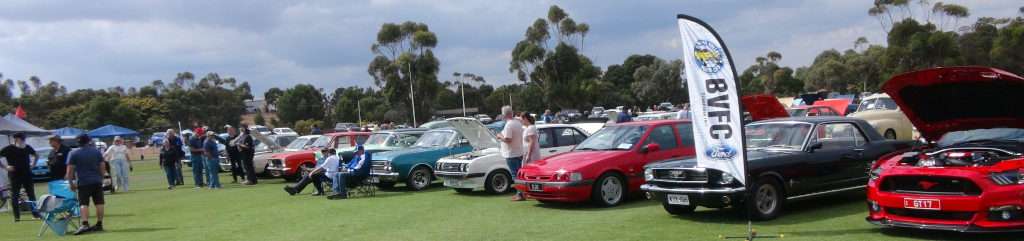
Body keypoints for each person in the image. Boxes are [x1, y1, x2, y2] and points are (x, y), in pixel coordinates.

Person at [67, 134, 107, 235]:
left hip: (83, 182)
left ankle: (85, 224)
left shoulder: (74, 153)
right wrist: (101, 178)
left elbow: (70, 171)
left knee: (83, 203)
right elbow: (102, 166)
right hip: (96, 181)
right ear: (88, 141)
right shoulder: (96, 152)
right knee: (99, 203)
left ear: (78, 142)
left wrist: (71, 183)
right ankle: (99, 224)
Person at [1, 133, 40, 221]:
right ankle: (17, 217)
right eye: (21, 139)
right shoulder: (9, 149)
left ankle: (36, 215)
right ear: (16, 139)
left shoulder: (27, 147)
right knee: (15, 195)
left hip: (27, 174)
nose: (23, 141)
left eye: (24, 139)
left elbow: (36, 155)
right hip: (14, 175)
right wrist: (6, 167)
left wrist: (33, 164)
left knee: (31, 195)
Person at [494, 106, 525, 201]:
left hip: (511, 153)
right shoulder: (517, 122)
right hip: (519, 151)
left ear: (504, 114)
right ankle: (522, 193)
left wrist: (499, 136)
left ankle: (520, 194)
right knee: (519, 174)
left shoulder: (509, 124)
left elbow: (508, 139)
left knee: (515, 175)